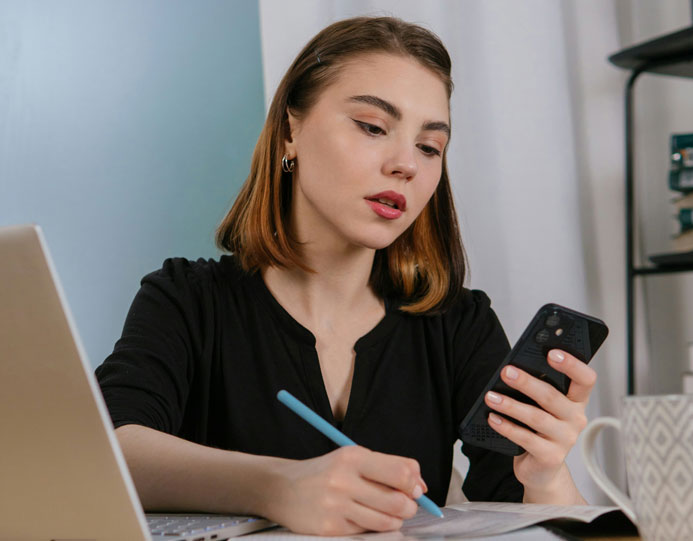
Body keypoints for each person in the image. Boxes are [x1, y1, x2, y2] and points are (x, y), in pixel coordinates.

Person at [96, 16, 597, 536]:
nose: (406, 164)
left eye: (430, 147)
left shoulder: (458, 324)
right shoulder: (187, 300)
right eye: (373, 127)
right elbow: (109, 448)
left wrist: (545, 474)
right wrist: (277, 486)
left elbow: (538, 519)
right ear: (292, 130)